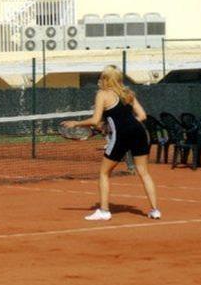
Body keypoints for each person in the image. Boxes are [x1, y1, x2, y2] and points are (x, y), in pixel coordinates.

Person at [62, 65, 160, 221]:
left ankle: (104, 211)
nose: (99, 80)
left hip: (122, 136)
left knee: (104, 172)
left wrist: (76, 123)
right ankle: (155, 210)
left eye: (101, 77)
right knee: (144, 172)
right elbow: (142, 115)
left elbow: (95, 120)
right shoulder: (128, 94)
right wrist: (123, 125)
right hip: (140, 132)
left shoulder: (102, 94)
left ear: (106, 79)